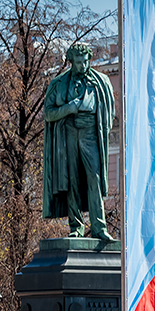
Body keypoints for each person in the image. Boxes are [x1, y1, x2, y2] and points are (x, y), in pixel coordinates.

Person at [42, 42, 116, 240]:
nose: (83, 66)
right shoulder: (58, 83)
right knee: (71, 179)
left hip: (91, 132)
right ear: (71, 62)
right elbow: (48, 114)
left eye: (85, 62)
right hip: (67, 133)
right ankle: (76, 227)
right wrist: (68, 108)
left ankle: (100, 228)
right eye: (78, 62)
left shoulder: (101, 82)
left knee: (94, 178)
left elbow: (110, 112)